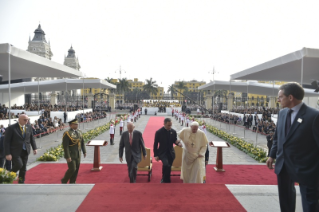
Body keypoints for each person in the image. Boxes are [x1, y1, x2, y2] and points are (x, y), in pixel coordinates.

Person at [267, 82, 319, 212]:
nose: (278, 100)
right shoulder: (282, 113)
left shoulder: (314, 116)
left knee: (310, 203)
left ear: (290, 97)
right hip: (283, 164)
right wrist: (272, 155)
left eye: (280, 97)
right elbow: (278, 138)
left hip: (306, 168)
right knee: (285, 199)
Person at [4, 114, 37, 183]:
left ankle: (21, 182)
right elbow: (6, 142)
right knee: (19, 164)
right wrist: (7, 153)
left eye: (27, 119)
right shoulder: (12, 128)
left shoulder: (29, 127)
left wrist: (34, 148)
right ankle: (7, 175)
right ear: (19, 120)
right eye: (25, 120)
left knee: (23, 168)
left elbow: (31, 138)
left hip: (25, 150)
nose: (26, 121)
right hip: (15, 151)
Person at [154, 118, 182, 183]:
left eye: (170, 125)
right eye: (168, 125)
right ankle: (164, 179)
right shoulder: (159, 132)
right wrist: (156, 155)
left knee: (168, 166)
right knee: (166, 165)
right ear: (164, 124)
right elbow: (155, 144)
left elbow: (174, 140)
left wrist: (178, 143)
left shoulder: (173, 131)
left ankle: (167, 179)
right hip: (162, 153)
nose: (170, 127)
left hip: (171, 153)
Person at [61, 119, 86, 184]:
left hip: (78, 154)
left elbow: (82, 142)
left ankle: (73, 181)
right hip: (71, 154)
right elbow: (65, 146)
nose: (77, 125)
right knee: (72, 169)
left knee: (76, 169)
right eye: (75, 124)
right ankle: (64, 180)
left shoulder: (79, 132)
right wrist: (67, 156)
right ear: (71, 125)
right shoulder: (67, 133)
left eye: (77, 124)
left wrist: (84, 151)